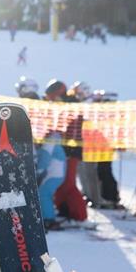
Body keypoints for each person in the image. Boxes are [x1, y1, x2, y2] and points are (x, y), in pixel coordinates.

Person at [45, 79, 88, 222]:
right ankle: (65, 209)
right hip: (64, 149)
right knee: (61, 183)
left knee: (69, 183)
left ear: (58, 92)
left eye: (52, 96)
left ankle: (80, 214)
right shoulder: (63, 104)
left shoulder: (71, 104)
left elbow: (71, 128)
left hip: (71, 150)